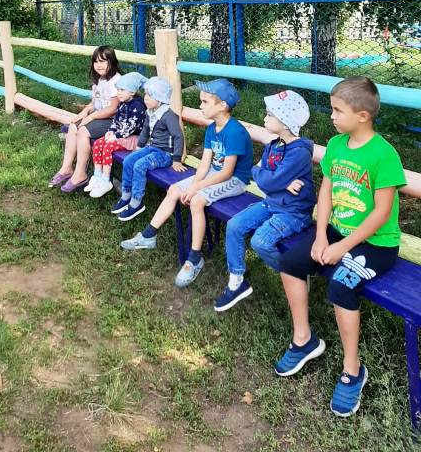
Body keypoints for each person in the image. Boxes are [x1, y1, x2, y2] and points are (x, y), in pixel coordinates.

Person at [274, 76, 406, 418]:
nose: (331, 116)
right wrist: (321, 236)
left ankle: (352, 369)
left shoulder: (384, 155)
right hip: (336, 232)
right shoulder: (335, 145)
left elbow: (381, 214)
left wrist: (342, 247)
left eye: (337, 110)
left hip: (376, 244)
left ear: (363, 115)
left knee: (340, 285)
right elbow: (327, 192)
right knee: (290, 261)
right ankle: (303, 339)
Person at [121, 78, 253, 288]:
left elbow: (227, 172)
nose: (200, 106)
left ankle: (194, 258)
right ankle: (148, 235)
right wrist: (193, 183)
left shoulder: (234, 131)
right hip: (215, 173)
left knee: (197, 201)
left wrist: (196, 188)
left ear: (222, 105)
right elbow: (205, 164)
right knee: (174, 189)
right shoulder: (212, 129)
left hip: (235, 180)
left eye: (205, 102)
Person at [214, 90, 314, 312]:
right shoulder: (273, 145)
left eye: (269, 115)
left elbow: (268, 180)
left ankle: (294, 274)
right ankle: (237, 280)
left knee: (260, 241)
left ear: (285, 122)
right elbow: (259, 174)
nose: (264, 118)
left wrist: (273, 179)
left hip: (293, 212)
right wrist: (280, 182)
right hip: (272, 202)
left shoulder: (299, 152)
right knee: (234, 225)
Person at [111, 76, 185, 221]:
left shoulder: (168, 116)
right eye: (145, 94)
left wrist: (176, 159)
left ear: (161, 99)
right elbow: (145, 130)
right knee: (128, 161)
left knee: (140, 165)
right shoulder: (150, 111)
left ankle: (136, 202)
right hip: (152, 148)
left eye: (150, 96)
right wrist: (139, 147)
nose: (146, 98)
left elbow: (178, 137)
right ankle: (126, 194)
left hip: (165, 154)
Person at [49, 45, 121, 193]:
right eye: (96, 61)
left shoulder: (116, 81)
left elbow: (113, 109)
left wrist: (91, 117)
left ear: (112, 62)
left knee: (82, 131)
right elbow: (95, 102)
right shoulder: (100, 80)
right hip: (101, 117)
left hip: (114, 121)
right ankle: (66, 168)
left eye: (103, 61)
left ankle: (80, 174)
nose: (99, 65)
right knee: (73, 126)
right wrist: (83, 113)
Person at [86, 71, 147, 198]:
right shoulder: (122, 103)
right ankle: (97, 176)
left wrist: (116, 136)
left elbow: (132, 126)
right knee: (98, 144)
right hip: (120, 135)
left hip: (132, 138)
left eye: (122, 90)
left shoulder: (138, 105)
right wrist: (111, 131)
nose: (119, 93)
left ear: (132, 92)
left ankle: (106, 180)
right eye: (118, 89)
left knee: (108, 147)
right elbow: (116, 120)